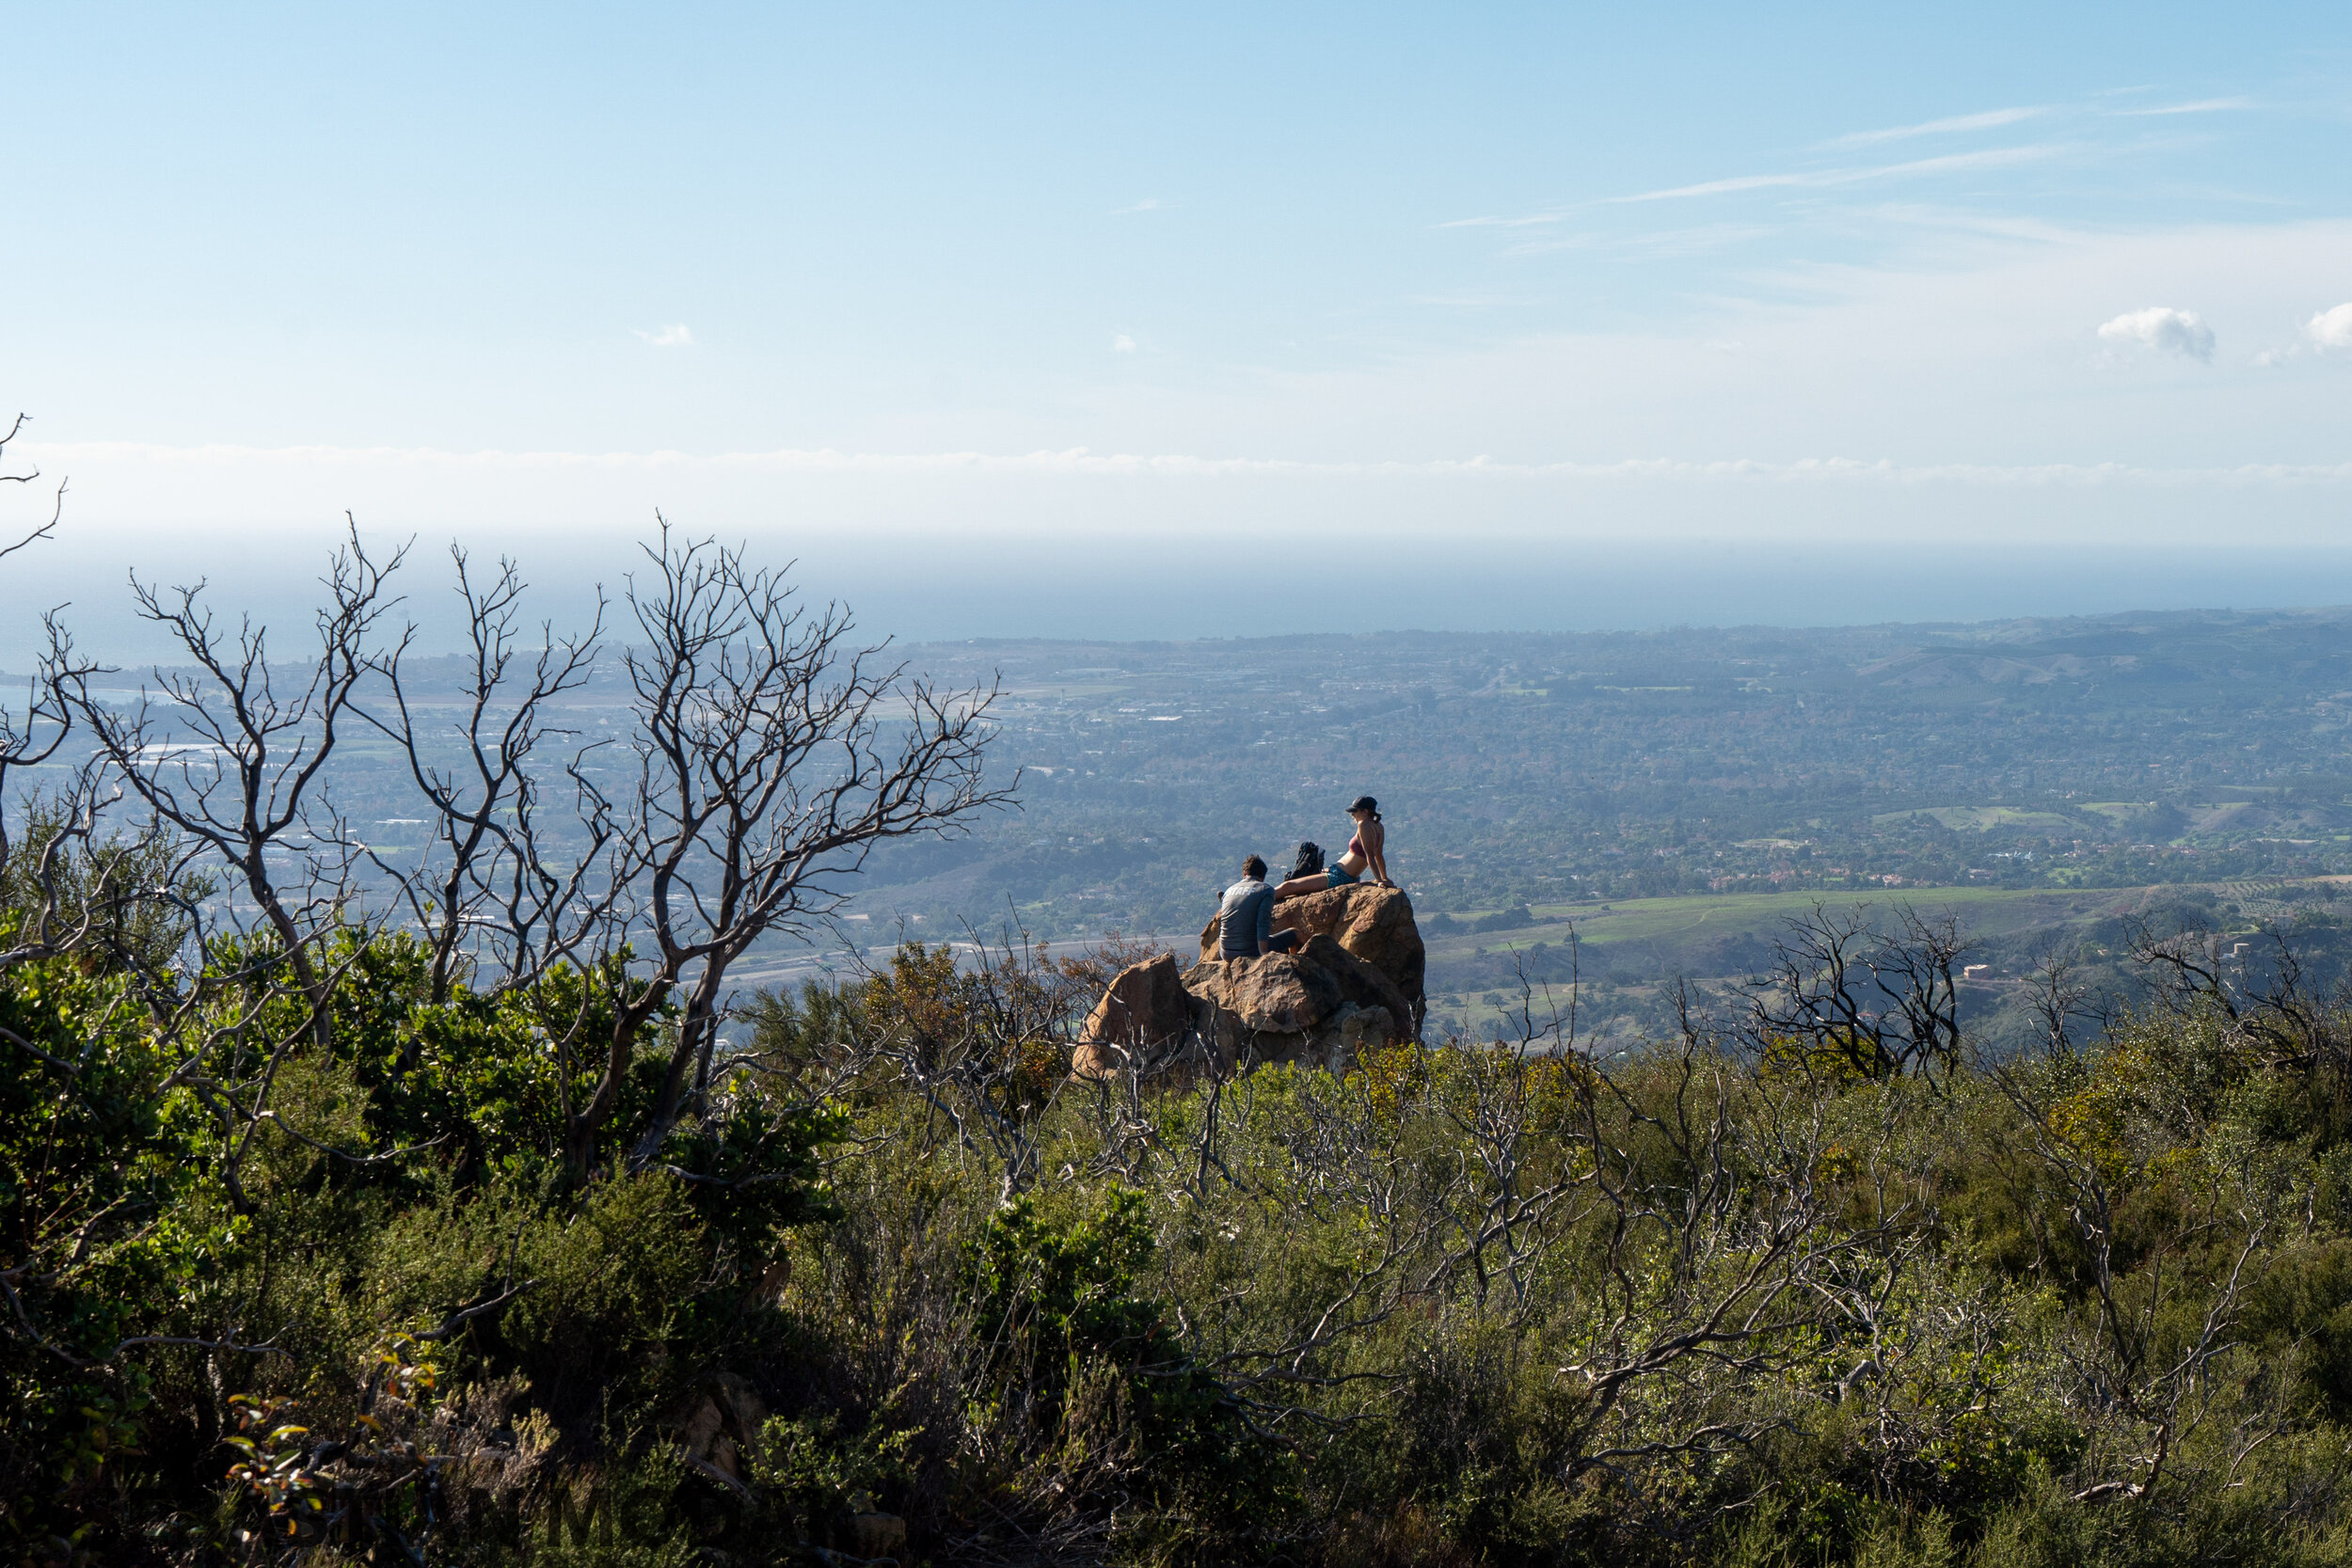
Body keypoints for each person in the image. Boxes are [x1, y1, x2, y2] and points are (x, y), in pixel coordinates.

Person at [1276, 796, 1392, 899]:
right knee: (1303, 875)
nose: (1352, 815)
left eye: (1355, 811)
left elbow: (1370, 856)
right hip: (1342, 873)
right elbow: (1379, 856)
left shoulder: (1363, 825)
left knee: (1288, 886)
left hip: (1339, 876)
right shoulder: (1379, 827)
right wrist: (1384, 877)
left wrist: (1380, 881)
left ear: (1365, 811)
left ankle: (1260, 897)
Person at [1216, 854, 1302, 959]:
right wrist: (1263, 953)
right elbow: (1262, 922)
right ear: (1262, 877)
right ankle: (1294, 962)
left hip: (1225, 953)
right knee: (1296, 933)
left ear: (1244, 874)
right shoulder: (1265, 890)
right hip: (1251, 952)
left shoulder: (1229, 891)